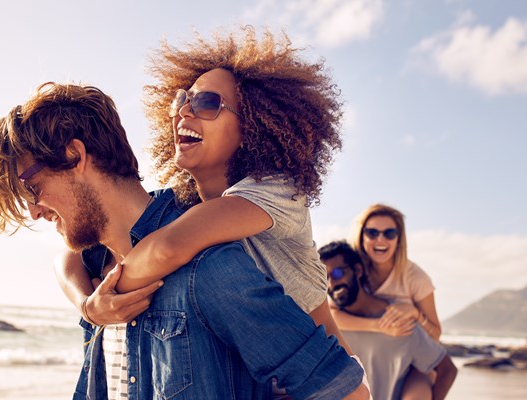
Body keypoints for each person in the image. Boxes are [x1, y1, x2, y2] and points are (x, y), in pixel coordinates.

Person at [0, 82, 367, 399]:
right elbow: (65, 262)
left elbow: (345, 392)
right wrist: (87, 306)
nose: (34, 211)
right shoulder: (98, 268)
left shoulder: (208, 268)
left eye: (33, 188)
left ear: (76, 157)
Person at [60, 26, 352, 355]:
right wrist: (87, 305)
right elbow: (72, 257)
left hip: (325, 382)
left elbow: (167, 247)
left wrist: (108, 299)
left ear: (250, 128)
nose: (184, 111)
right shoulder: (185, 203)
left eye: (207, 102)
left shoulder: (279, 192)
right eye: (183, 100)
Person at [330, 204, 443, 399]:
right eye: (372, 232)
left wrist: (414, 313)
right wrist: (379, 326)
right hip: (373, 354)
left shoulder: (416, 278)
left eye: (389, 233)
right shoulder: (353, 270)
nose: (380, 239)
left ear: (399, 239)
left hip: (411, 364)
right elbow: (333, 315)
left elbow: (435, 334)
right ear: (362, 236)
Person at [319, 240, 457, 400]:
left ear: (357, 270)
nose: (331, 283)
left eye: (337, 274)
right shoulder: (328, 326)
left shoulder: (399, 322)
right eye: (324, 277)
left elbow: (447, 369)